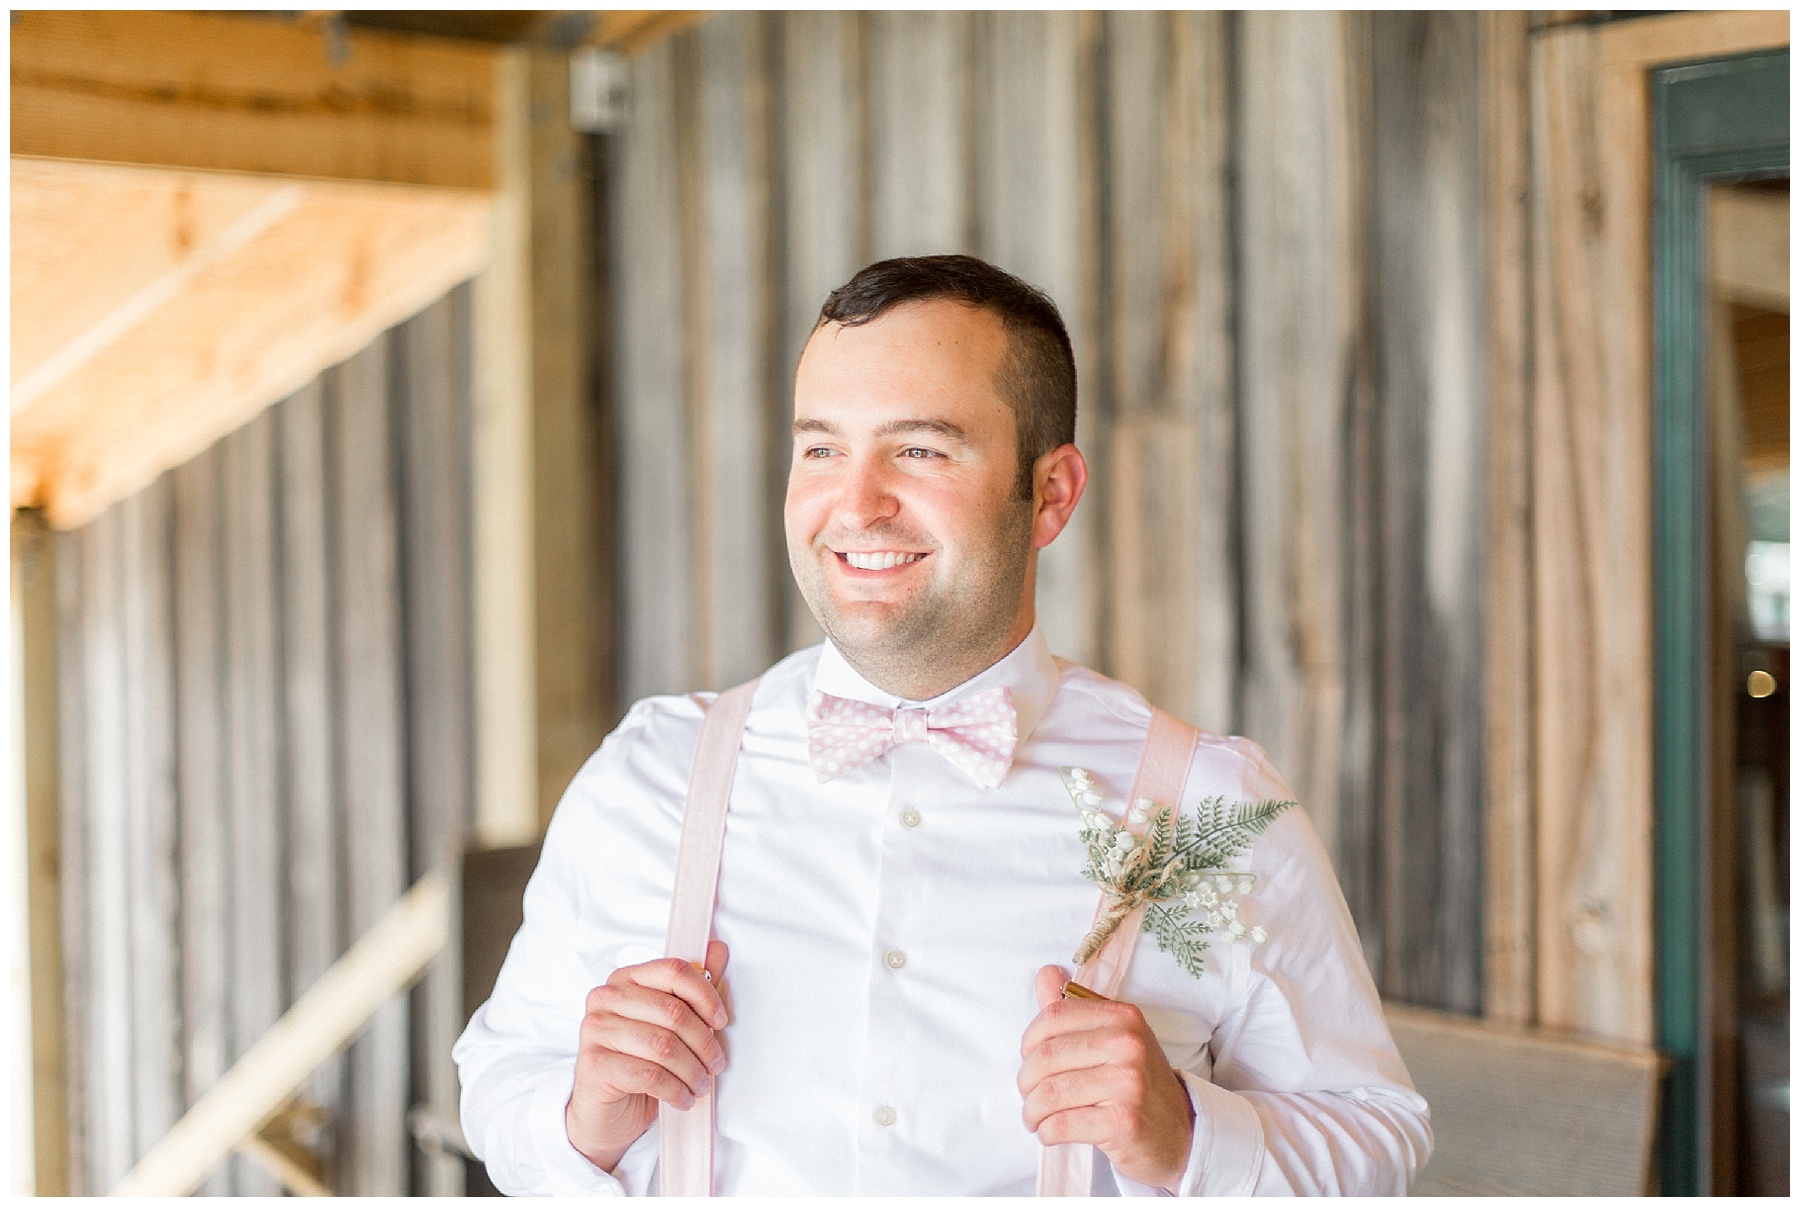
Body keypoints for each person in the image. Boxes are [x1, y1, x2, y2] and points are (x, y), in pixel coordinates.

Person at [453, 255, 1431, 1195]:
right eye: (822, 448)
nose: (857, 501)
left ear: (1050, 493)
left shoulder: (1203, 812)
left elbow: (1375, 1134)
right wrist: (579, 1117)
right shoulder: (653, 776)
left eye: (919, 448)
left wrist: (1186, 1134)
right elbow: (498, 1079)